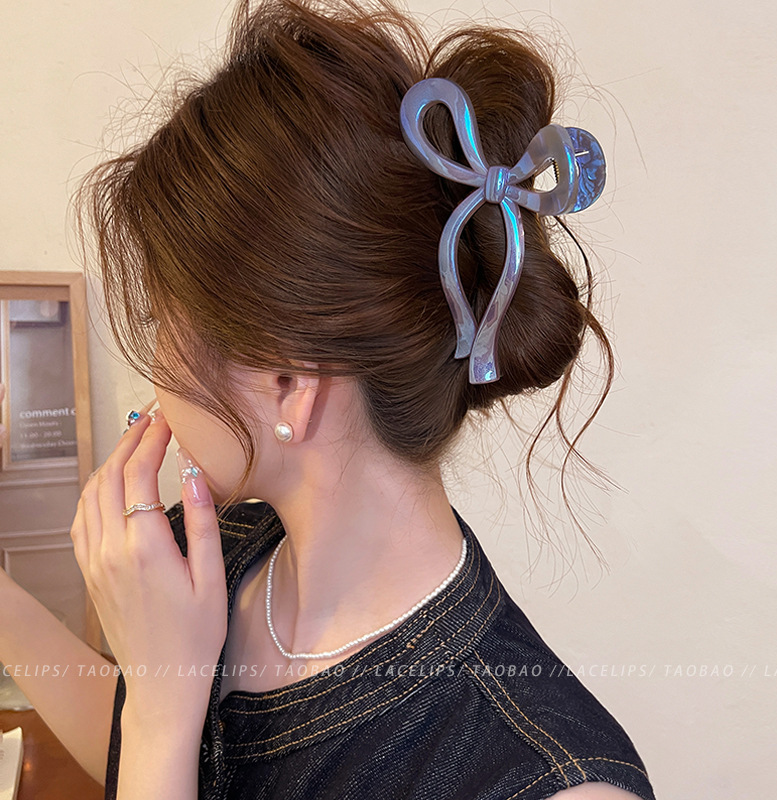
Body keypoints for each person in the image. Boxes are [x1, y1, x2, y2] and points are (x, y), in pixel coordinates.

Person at [37, 0, 658, 797]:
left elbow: (159, 735)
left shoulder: (545, 783)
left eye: (162, 325)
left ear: (288, 384)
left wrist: (162, 708)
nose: (151, 375)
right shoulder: (215, 557)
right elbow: (147, 756)